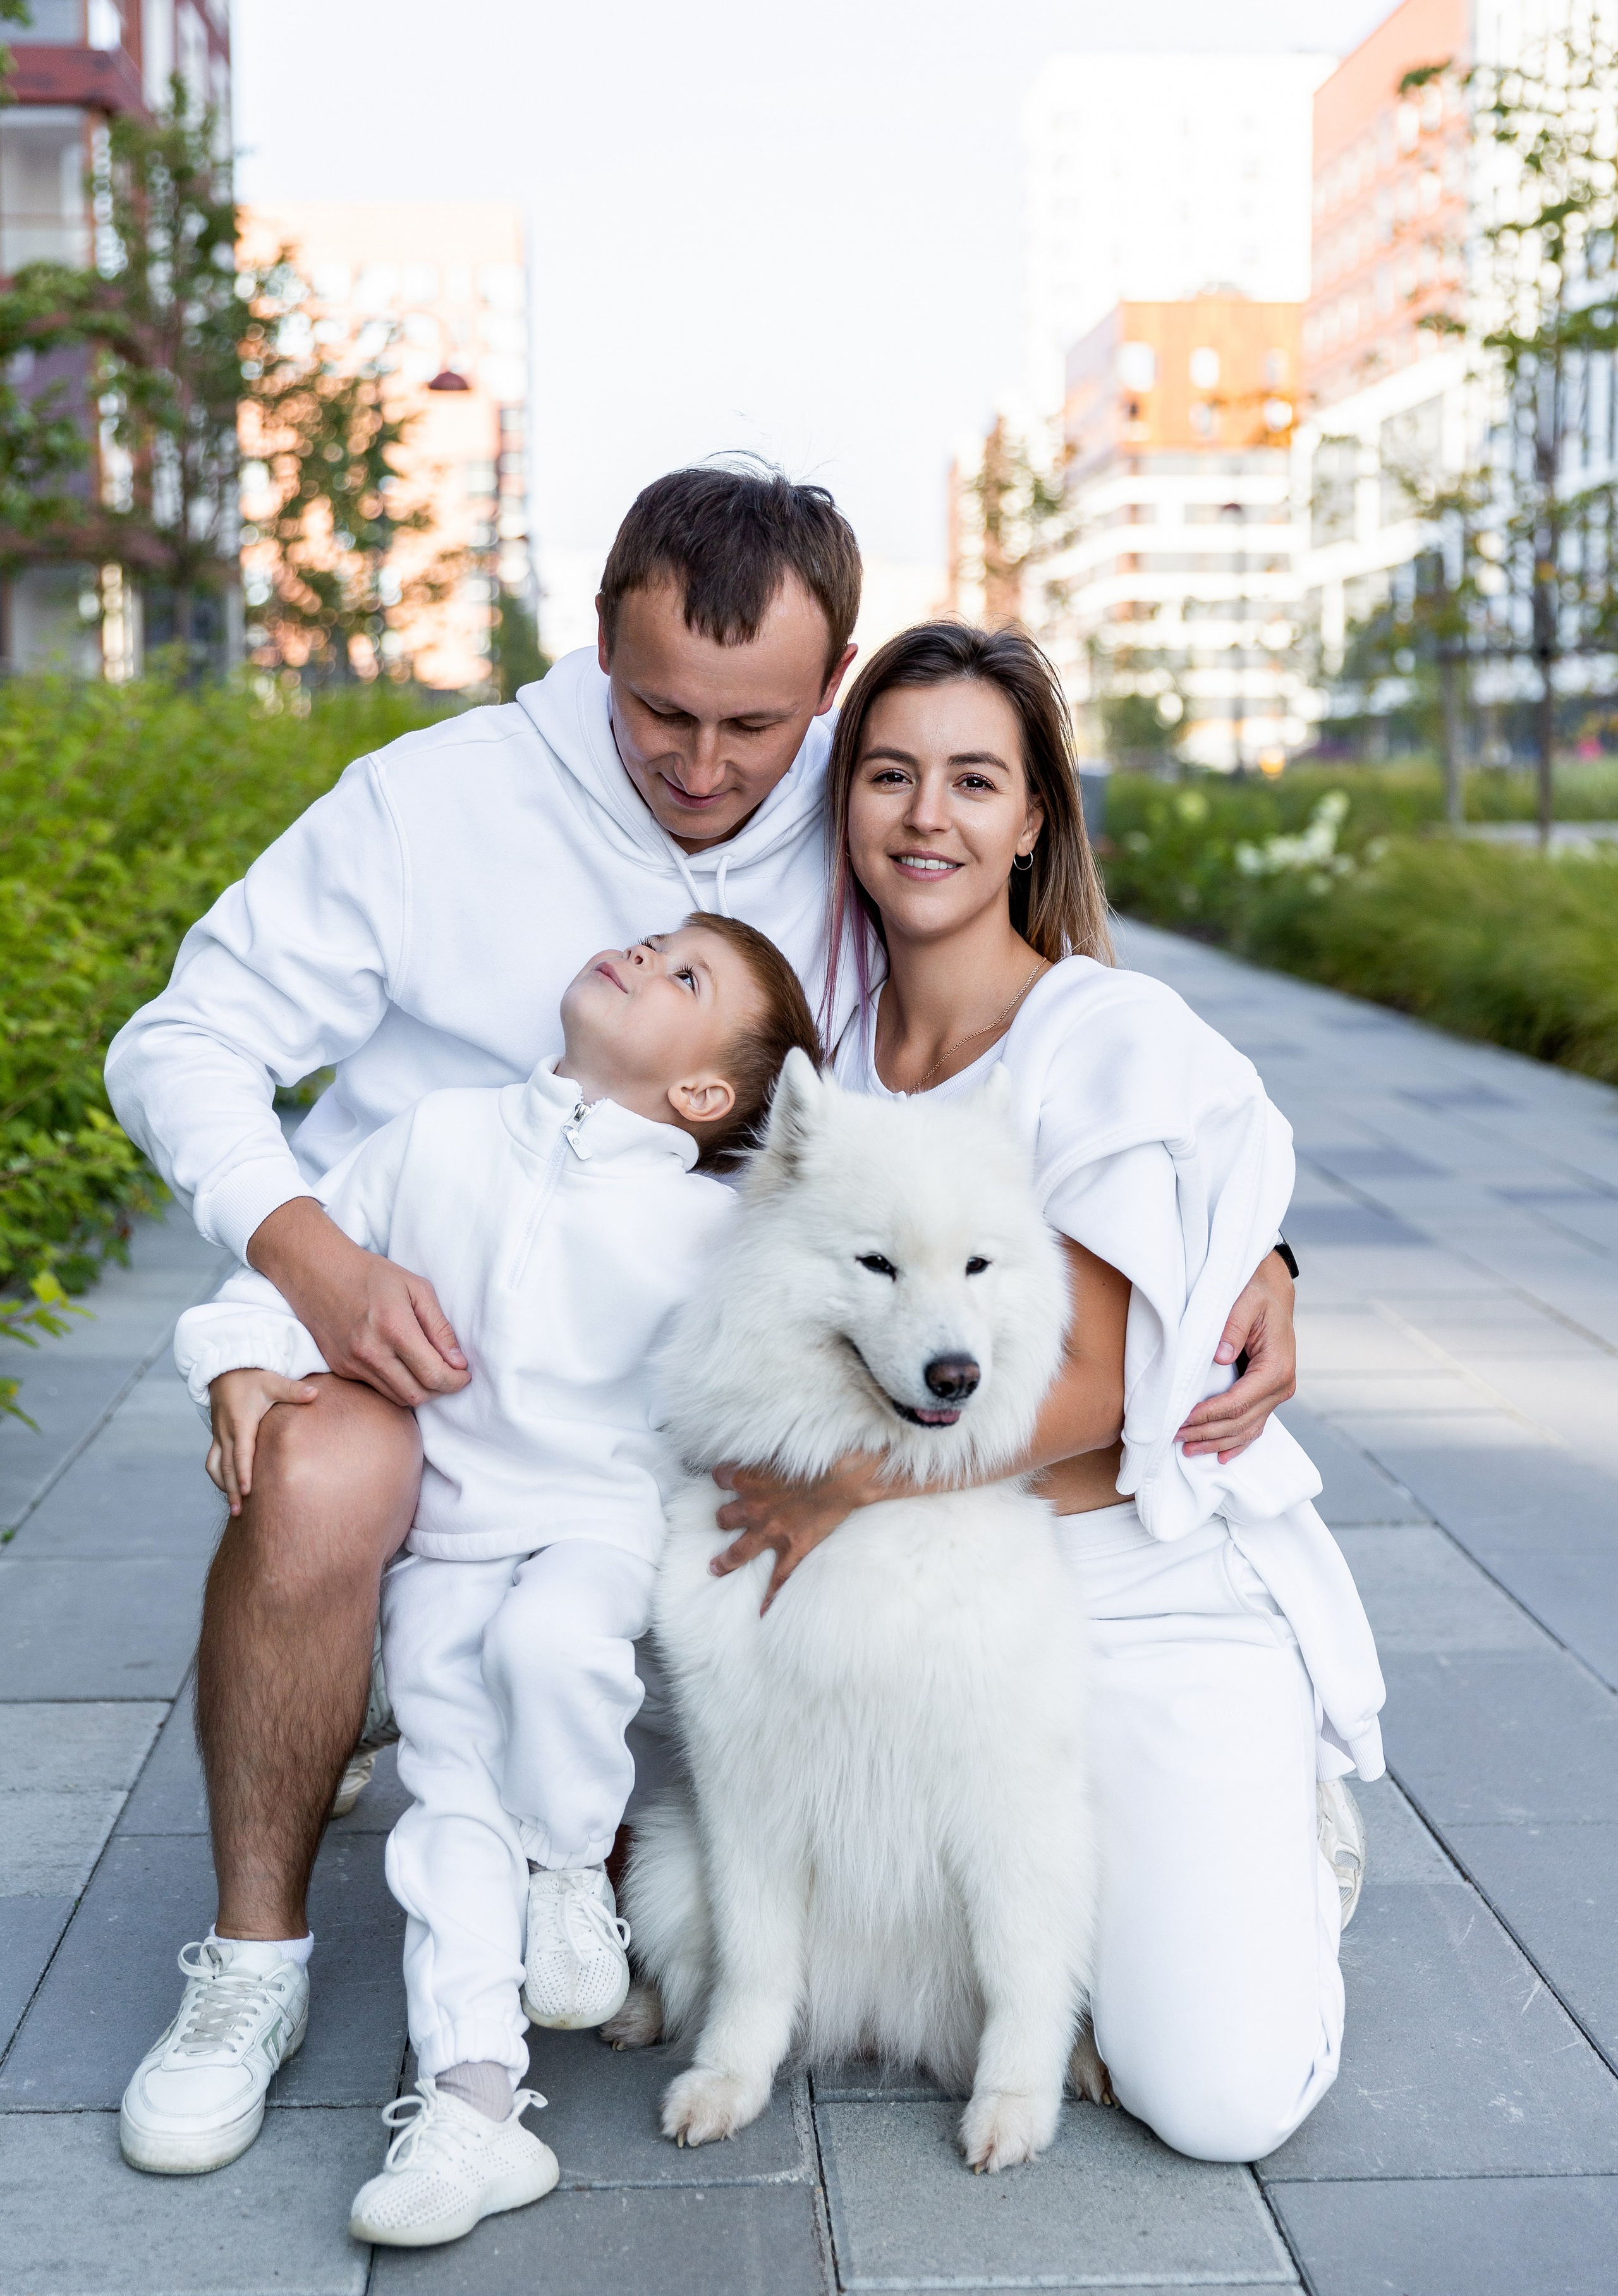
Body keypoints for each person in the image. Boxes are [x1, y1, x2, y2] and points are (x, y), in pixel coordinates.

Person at [103, 463, 1299, 2171]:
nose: (705, 765)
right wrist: (303, 1265)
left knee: (693, 1620)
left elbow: (1050, 1076)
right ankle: (255, 1958)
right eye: (662, 709)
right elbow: (179, 1041)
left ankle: (580, 1847)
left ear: (824, 692)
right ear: (600, 643)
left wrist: (1250, 1255)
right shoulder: (433, 803)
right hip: (413, 1321)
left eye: (757, 727)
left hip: (653, 1384)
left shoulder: (854, 802)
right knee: (323, 1492)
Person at [709, 621, 1384, 2165]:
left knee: (1210, 2101)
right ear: (843, 805)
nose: (924, 816)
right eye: (887, 775)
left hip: (1130, 1595)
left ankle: (1281, 1846)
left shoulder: (1103, 1029)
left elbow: (1086, 1384)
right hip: (918, 1612)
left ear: (1033, 820)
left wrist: (837, 1485)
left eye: (970, 779)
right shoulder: (812, 1048)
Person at [131, 916, 818, 2240]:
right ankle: (474, 2108)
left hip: (599, 1526)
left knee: (554, 1648)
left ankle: (566, 1870)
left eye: (686, 976)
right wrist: (233, 1356)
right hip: (450, 1537)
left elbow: (777, 1375)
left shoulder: (703, 1228)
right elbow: (308, 1274)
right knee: (445, 1803)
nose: (643, 951)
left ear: (700, 1099)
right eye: (655, 939)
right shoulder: (435, 1138)